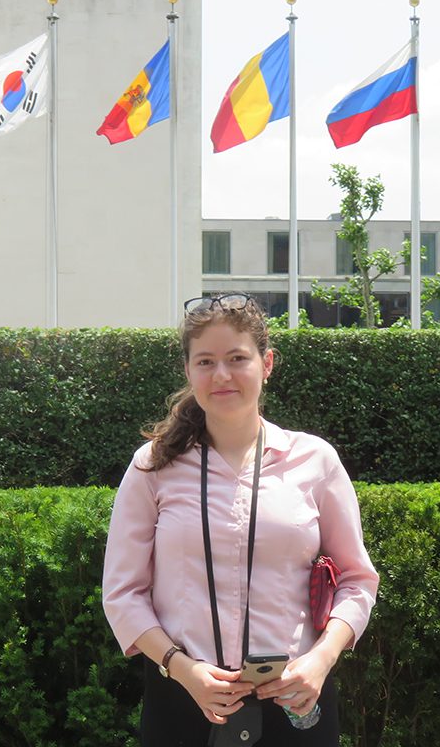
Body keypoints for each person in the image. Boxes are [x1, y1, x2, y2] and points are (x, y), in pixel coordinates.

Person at [102, 293, 379, 746]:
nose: (222, 374)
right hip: (185, 698)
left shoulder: (315, 460)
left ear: (267, 363)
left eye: (237, 358)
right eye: (206, 361)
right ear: (189, 372)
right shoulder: (153, 465)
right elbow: (122, 592)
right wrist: (181, 667)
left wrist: (322, 660)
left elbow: (357, 579)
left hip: (296, 696)